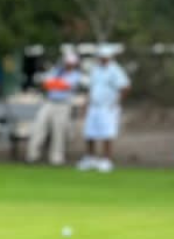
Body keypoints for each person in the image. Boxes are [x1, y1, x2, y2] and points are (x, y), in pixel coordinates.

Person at [79, 44, 130, 172]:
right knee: (90, 133)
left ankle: (106, 160)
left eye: (104, 57)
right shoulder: (95, 69)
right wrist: (86, 104)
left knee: (107, 133)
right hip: (94, 106)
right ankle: (90, 158)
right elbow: (91, 88)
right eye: (101, 57)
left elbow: (125, 87)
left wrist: (116, 102)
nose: (102, 59)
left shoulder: (115, 70)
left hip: (107, 107)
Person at [25, 49, 81, 167]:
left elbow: (64, 85)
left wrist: (55, 83)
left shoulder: (75, 75)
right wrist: (56, 83)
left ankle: (56, 158)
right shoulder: (56, 71)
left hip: (63, 104)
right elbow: (46, 84)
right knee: (38, 127)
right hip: (49, 102)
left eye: (71, 63)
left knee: (58, 131)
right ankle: (32, 155)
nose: (68, 65)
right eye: (67, 62)